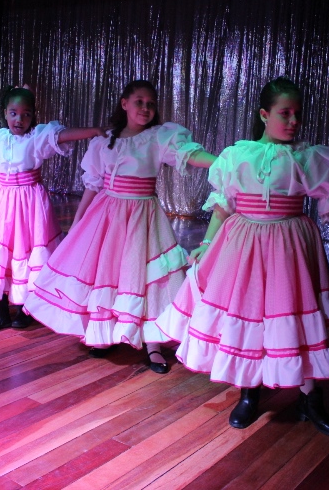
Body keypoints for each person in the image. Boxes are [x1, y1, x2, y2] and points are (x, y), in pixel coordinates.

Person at [156, 76, 329, 434]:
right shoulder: (238, 155)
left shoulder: (308, 158)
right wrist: (208, 242)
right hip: (244, 245)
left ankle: (310, 398)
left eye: (297, 114)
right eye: (285, 113)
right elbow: (224, 205)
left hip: (289, 246)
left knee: (292, 315)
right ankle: (250, 391)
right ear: (264, 114)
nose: (293, 121)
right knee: (249, 314)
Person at [24, 80, 216, 374]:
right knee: (108, 273)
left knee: (147, 278)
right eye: (139, 102)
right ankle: (105, 333)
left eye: (151, 104)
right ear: (124, 103)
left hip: (142, 217)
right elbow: (93, 184)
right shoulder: (105, 141)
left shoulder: (158, 137)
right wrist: (78, 221)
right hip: (108, 215)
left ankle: (153, 343)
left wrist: (220, 161)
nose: (146, 108)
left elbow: (187, 154)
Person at [0, 85, 106, 328]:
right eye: (14, 113)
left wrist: (94, 130)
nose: (19, 119)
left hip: (29, 203)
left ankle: (25, 308)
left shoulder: (37, 137)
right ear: (5, 113)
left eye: (26, 114)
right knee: (0, 253)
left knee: (26, 251)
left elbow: (63, 135)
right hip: (1, 202)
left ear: (33, 116)